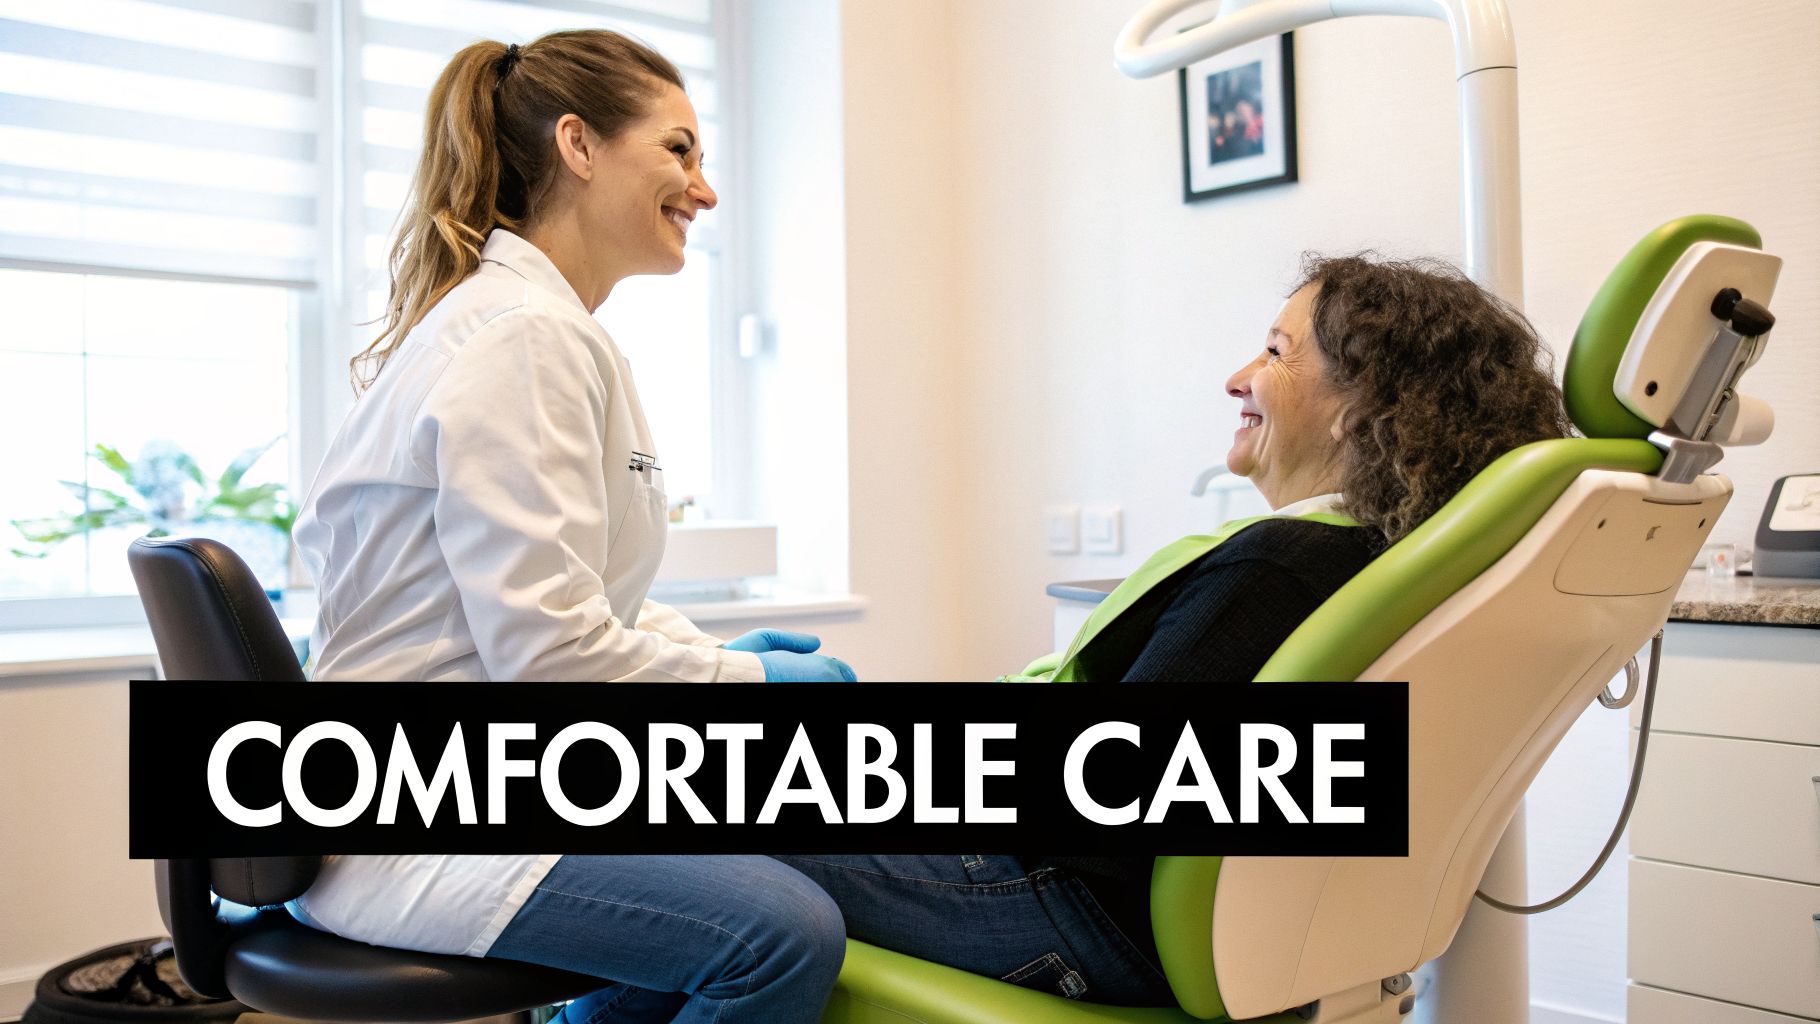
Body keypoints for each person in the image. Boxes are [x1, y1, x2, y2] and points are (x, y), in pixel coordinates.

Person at [774, 253, 1573, 1007]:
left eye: (1274, 353)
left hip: (1076, 911)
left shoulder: (1277, 568)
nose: (1237, 379)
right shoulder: (1390, 567)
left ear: (1361, 404)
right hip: (1158, 918)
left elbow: (1105, 794)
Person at [288, 31, 850, 1024]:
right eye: (679, 151)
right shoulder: (524, 337)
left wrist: (712, 655)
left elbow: (556, 603)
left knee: (724, 872)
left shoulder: (520, 325)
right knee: (778, 931)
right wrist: (753, 682)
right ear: (579, 146)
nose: (705, 190)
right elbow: (549, 660)